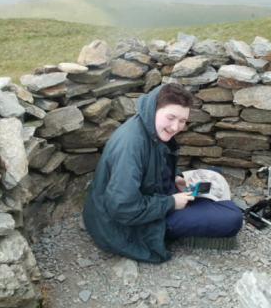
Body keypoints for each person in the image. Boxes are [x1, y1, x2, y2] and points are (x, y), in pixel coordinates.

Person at [83, 83, 242, 263]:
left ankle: (200, 204)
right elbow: (122, 208)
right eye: (171, 117)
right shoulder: (131, 145)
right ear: (155, 109)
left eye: (182, 121)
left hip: (152, 196)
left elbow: (153, 164)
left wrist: (176, 178)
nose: (176, 127)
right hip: (121, 227)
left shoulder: (150, 129)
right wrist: (171, 202)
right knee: (232, 218)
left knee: (214, 175)